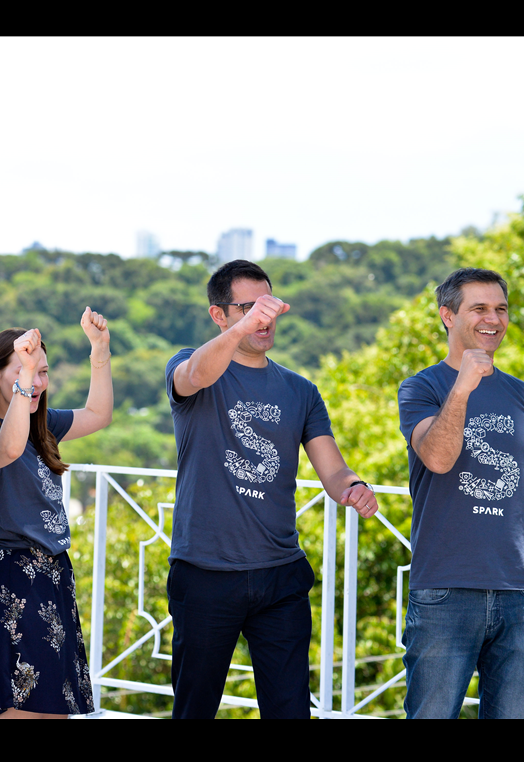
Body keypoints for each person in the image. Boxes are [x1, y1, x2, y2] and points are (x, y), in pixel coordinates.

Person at [165, 259, 379, 719]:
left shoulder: (301, 391)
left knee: (290, 710)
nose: (263, 319)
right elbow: (194, 375)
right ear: (218, 315)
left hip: (281, 575)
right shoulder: (189, 364)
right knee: (194, 708)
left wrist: (354, 487)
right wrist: (242, 330)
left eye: (268, 306)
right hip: (204, 572)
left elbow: (334, 471)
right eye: (248, 308)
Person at [397, 267, 524, 719]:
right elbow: (437, 458)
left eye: (501, 308)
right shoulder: (421, 388)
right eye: (479, 308)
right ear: (448, 316)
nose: (492, 319)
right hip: (446, 591)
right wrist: (463, 387)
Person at [0, 308, 113, 718]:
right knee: (26, 712)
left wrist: (100, 349)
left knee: (57, 711)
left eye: (42, 372)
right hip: (13, 579)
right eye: (26, 370)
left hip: (54, 578)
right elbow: (8, 449)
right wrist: (26, 380)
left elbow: (99, 414)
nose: (38, 382)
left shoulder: (42, 426)